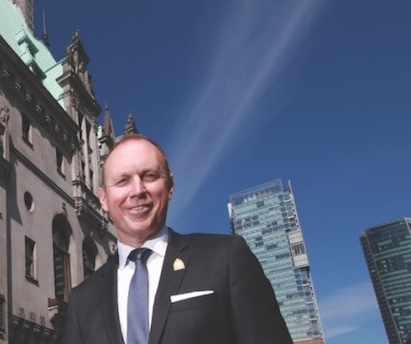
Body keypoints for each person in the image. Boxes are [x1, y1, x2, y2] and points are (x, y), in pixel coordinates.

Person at [66, 134, 292, 343]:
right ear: (104, 199)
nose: (137, 190)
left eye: (149, 176)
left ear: (170, 186)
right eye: (122, 181)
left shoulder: (226, 258)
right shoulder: (82, 300)